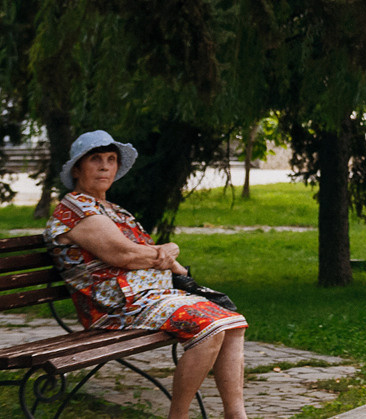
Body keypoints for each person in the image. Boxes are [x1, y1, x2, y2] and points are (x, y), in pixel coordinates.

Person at [44, 132, 250, 419]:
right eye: (95, 160)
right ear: (77, 169)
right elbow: (125, 255)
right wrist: (166, 251)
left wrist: (175, 266)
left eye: (111, 160)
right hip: (113, 306)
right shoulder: (75, 210)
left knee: (233, 323)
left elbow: (145, 253)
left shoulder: (113, 210)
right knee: (210, 326)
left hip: (144, 298)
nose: (105, 167)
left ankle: (236, 414)